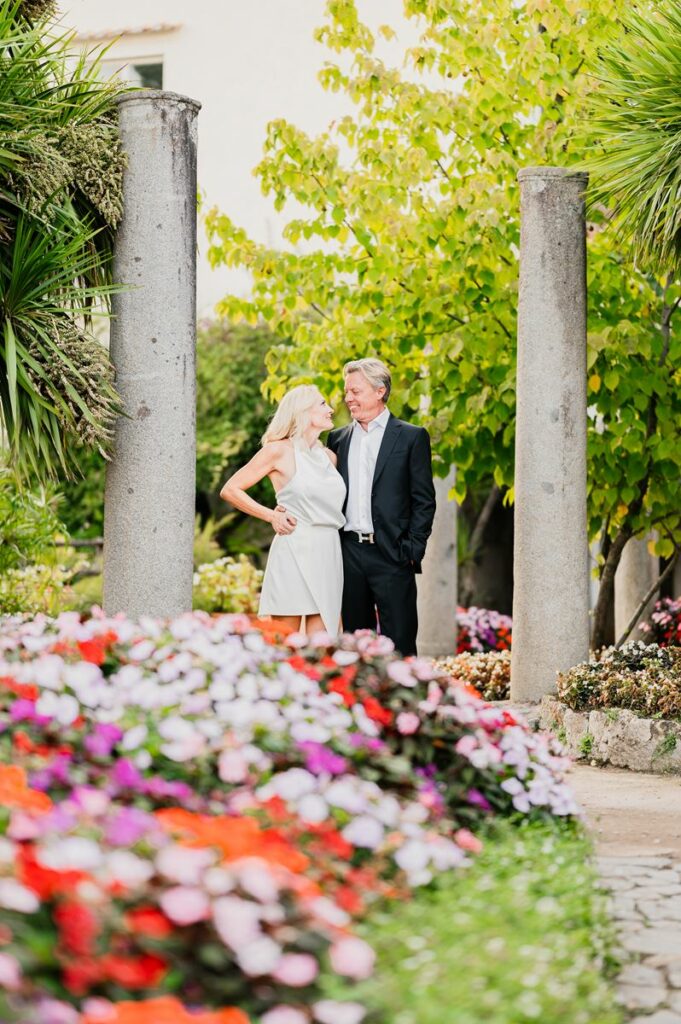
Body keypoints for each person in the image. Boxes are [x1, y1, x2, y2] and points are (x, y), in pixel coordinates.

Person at [327, 358, 436, 656]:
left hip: (393, 554)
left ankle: (405, 704)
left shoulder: (412, 436)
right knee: (353, 645)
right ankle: (361, 702)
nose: (348, 398)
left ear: (379, 391)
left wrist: (411, 551)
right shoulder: (337, 439)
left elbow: (424, 500)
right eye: (346, 391)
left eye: (355, 391)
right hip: (349, 553)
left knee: (400, 644)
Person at [220, 384, 346, 636]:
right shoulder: (277, 451)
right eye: (322, 404)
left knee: (323, 643)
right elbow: (231, 489)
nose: (330, 409)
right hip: (293, 548)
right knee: (283, 640)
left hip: (328, 550)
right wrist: (272, 515)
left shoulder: (329, 457)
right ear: (302, 411)